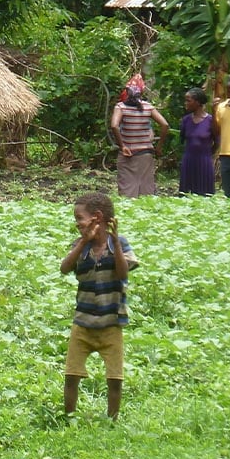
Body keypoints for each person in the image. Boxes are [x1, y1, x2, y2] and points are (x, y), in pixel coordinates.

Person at [59, 192, 138, 421]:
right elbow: (65, 268)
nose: (77, 223)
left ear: (97, 218)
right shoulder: (80, 246)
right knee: (71, 375)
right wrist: (84, 240)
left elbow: (123, 274)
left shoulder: (119, 243)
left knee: (115, 378)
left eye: (79, 217)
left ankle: (112, 419)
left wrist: (113, 242)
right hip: (82, 323)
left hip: (111, 323)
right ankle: (69, 417)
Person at [110, 74, 170, 197]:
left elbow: (114, 125)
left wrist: (122, 146)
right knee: (146, 190)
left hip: (128, 154)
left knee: (127, 190)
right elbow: (165, 125)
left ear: (127, 91)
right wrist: (159, 147)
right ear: (141, 92)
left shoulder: (120, 107)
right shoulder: (148, 107)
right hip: (145, 154)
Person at [179, 87, 219, 196]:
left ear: (197, 102)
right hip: (188, 161)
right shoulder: (186, 120)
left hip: (204, 161)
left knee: (204, 194)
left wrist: (207, 153)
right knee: (186, 194)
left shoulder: (211, 120)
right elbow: (182, 139)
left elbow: (217, 141)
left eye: (188, 100)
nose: (185, 103)